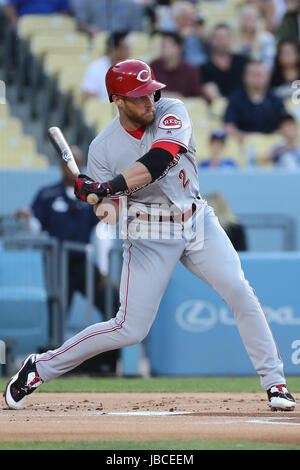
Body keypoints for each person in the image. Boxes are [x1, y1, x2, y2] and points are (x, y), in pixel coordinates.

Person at [4, 59, 296, 413]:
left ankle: (275, 383)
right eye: (139, 97)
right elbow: (108, 214)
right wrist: (92, 198)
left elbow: (161, 159)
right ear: (118, 100)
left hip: (196, 218)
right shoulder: (102, 148)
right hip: (148, 231)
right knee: (129, 329)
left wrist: (107, 186)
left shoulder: (172, 110)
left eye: (150, 93)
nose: (149, 102)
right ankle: (40, 367)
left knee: (239, 290)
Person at [14, 146, 119, 321]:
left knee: (112, 301)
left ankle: (108, 349)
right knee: (56, 317)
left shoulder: (91, 196)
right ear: (61, 166)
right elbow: (36, 227)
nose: (72, 166)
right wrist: (28, 217)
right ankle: (52, 348)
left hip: (82, 263)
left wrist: (103, 270)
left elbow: (102, 229)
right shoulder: (47, 194)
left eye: (77, 162)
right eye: (68, 163)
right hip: (57, 265)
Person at [224, 61, 286, 139]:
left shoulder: (276, 100)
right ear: (244, 76)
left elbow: (286, 126)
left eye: (260, 74)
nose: (257, 77)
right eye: (253, 74)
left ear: (268, 77)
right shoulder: (235, 99)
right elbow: (229, 127)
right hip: (242, 145)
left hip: (273, 146)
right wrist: (251, 139)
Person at [200, 24, 249, 102]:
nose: (221, 41)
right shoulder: (204, 68)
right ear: (211, 40)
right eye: (218, 37)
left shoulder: (243, 62)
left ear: (230, 39)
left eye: (224, 37)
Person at [150, 32, 204, 98]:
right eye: (162, 46)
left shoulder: (191, 70)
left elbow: (197, 98)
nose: (163, 49)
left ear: (179, 47)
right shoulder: (154, 66)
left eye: (166, 46)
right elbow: (147, 93)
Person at [81, 32, 130, 101]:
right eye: (125, 48)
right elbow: (88, 96)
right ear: (115, 50)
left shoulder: (133, 68)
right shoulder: (96, 67)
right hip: (101, 109)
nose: (128, 51)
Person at [233, 5, 276, 70]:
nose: (249, 22)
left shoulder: (266, 38)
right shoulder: (233, 37)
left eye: (252, 19)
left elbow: (268, 64)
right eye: (246, 18)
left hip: (258, 75)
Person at [71, 0, 145, 36]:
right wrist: (88, 28)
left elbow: (137, 30)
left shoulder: (132, 5)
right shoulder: (87, 2)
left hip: (123, 43)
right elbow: (79, 24)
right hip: (97, 42)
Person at [172, 1, 209, 66]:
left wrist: (204, 40)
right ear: (176, 19)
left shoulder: (200, 30)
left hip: (204, 68)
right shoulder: (172, 35)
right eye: (185, 18)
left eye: (192, 18)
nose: (189, 22)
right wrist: (180, 38)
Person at [3, 0, 70, 31]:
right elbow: (9, 7)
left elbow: (65, 13)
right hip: (26, 27)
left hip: (50, 26)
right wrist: (13, 19)